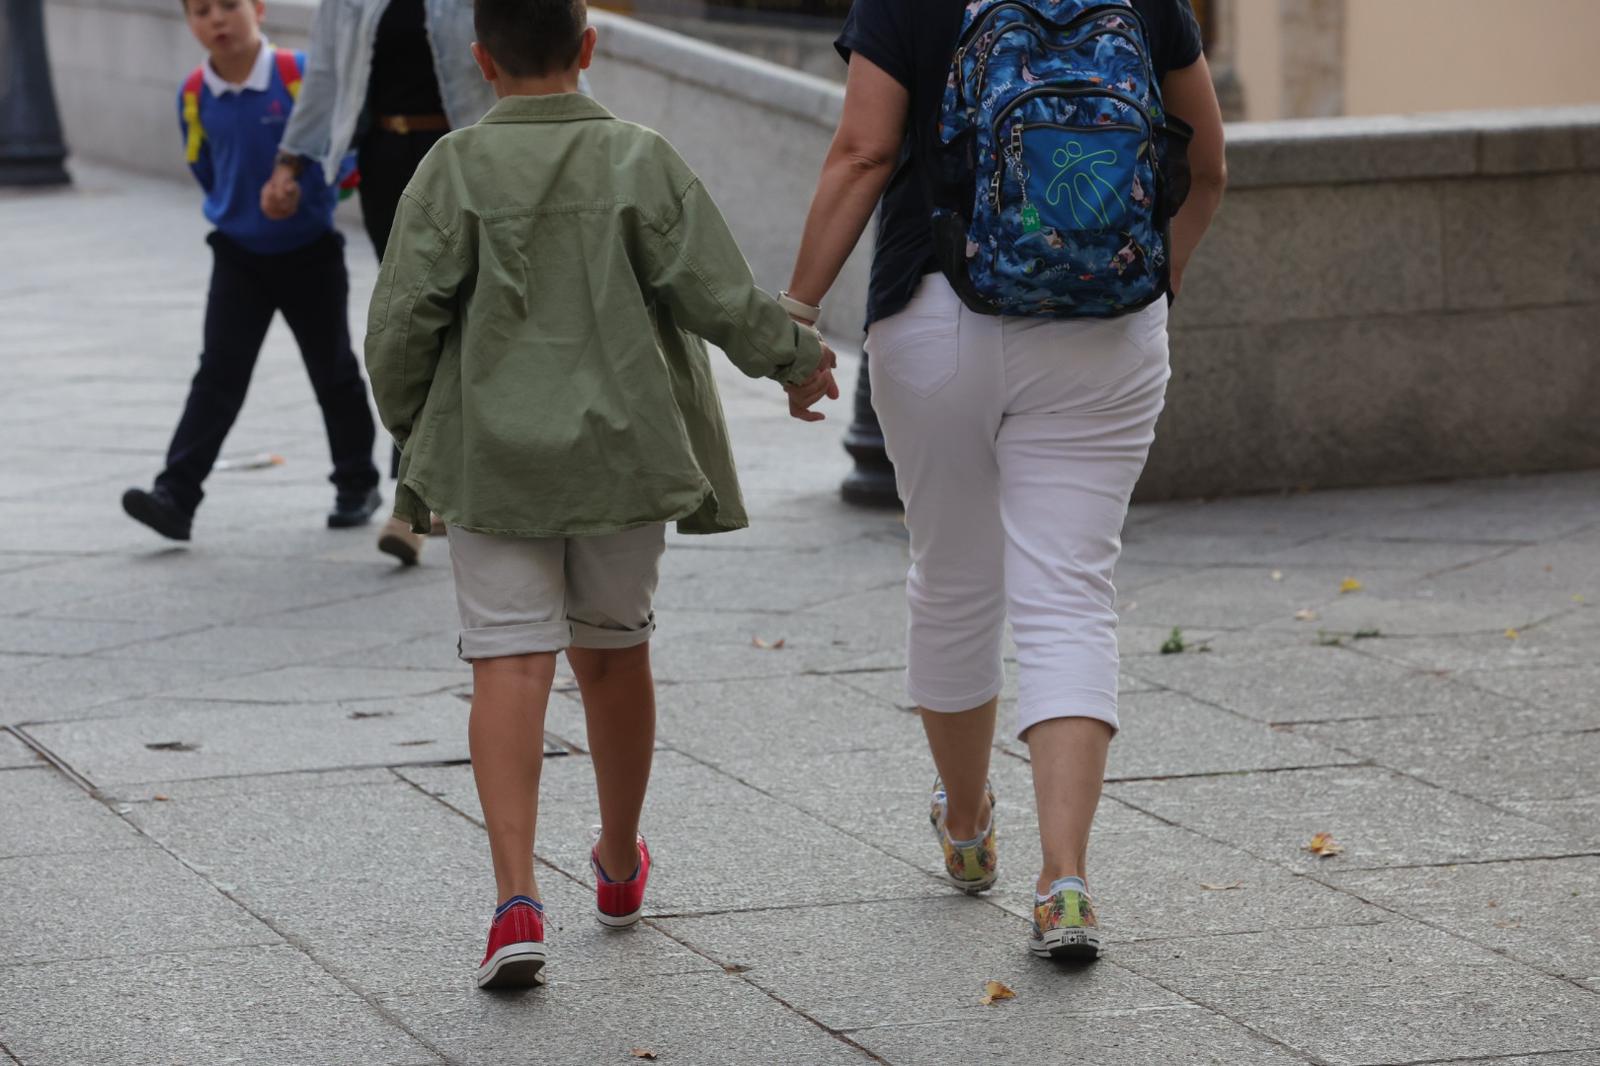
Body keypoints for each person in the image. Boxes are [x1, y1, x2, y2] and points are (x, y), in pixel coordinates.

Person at [364, 0, 839, 989]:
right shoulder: (640, 159)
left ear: (480, 59)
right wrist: (794, 360)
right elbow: (713, 291)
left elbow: (400, 327)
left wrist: (419, 428)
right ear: (587, 47)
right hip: (623, 454)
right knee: (615, 657)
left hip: (493, 460)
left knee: (508, 664)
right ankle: (618, 864)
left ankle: (513, 905)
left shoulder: (449, 169)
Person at [780, 0, 1227, 960]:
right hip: (1107, 328)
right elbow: (1211, 164)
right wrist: (1158, 283)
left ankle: (970, 827)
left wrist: (796, 311)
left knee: (952, 581)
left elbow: (862, 154)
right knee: (1068, 594)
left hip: (937, 311)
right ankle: (1064, 882)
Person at [121, 0, 381, 543]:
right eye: (199, 11)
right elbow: (204, 165)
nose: (215, 20)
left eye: (228, 6)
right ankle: (176, 495)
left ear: (259, 9)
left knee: (331, 369)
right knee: (218, 374)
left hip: (310, 250)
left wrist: (305, 190)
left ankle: (357, 482)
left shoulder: (298, 75)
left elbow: (343, 153)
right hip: (238, 254)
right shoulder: (194, 94)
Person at [260, 0, 496, 565]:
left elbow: (527, 54)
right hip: (389, 165)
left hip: (468, 159)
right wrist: (290, 162)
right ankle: (417, 496)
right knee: (413, 324)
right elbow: (324, 75)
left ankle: (428, 493)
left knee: (466, 324)